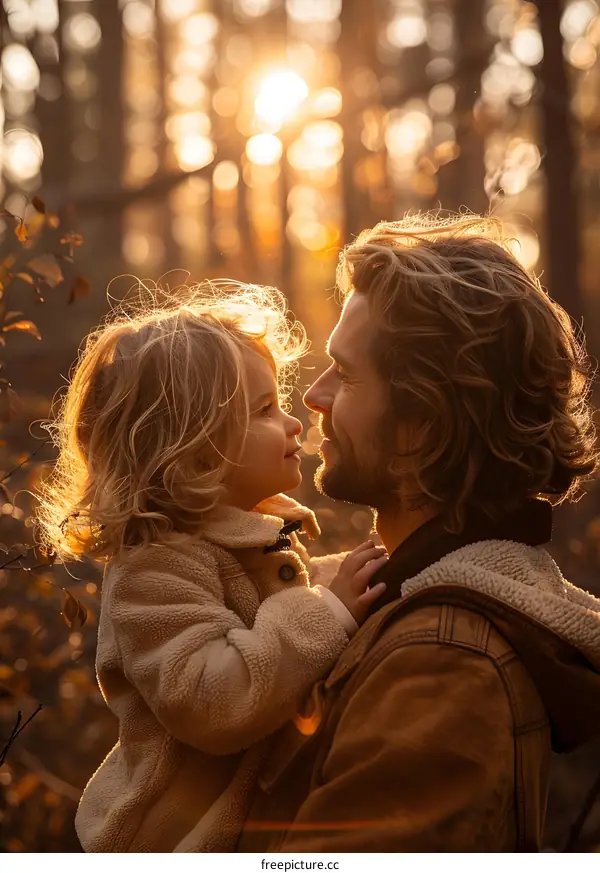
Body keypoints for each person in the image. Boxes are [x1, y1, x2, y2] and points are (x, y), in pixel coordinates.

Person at [237, 213, 600, 853]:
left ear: (423, 425)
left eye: (346, 374)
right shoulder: (401, 600)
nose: (314, 396)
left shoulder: (442, 665)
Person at [36, 281, 388, 852]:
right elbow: (213, 698)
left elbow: (270, 609)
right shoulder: (153, 568)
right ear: (194, 449)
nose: (294, 423)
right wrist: (328, 609)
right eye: (265, 410)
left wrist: (340, 579)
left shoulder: (245, 538)